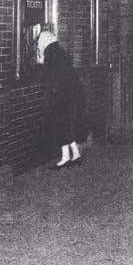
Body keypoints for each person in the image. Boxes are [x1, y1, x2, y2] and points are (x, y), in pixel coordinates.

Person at [40, 27, 88, 169]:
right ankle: (75, 154)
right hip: (71, 94)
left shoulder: (50, 53)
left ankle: (66, 157)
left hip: (60, 96)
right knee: (66, 125)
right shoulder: (60, 51)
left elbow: (50, 77)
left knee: (60, 125)